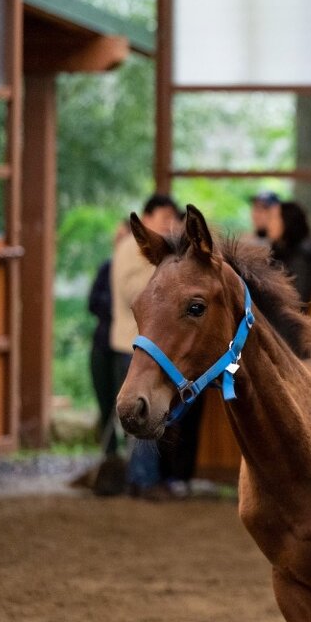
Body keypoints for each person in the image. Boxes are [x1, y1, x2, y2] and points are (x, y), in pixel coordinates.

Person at [111, 193, 203, 500]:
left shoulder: (158, 253)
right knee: (139, 412)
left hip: (148, 345)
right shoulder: (131, 248)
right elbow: (134, 293)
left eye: (172, 219)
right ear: (146, 218)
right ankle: (143, 480)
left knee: (149, 412)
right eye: (163, 218)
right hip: (132, 344)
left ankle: (146, 478)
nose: (169, 224)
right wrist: (166, 287)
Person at [88, 219, 129, 460]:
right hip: (103, 345)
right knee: (105, 403)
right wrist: (115, 307)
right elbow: (92, 302)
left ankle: (130, 462)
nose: (119, 242)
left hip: (124, 348)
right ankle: (110, 457)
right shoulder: (108, 267)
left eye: (124, 237)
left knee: (123, 406)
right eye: (117, 237)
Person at [268, 200, 311, 309]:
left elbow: (298, 300)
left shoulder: (302, 256)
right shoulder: (281, 251)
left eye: (273, 218)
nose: (269, 224)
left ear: (287, 221)